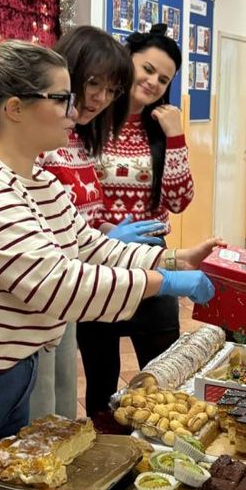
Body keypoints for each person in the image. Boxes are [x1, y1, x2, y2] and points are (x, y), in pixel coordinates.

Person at [0, 34, 218, 471]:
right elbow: (56, 283)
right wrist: (165, 283)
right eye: (61, 98)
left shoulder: (37, 179)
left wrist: (175, 260)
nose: (75, 111)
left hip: (5, 369)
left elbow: (87, 245)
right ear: (15, 108)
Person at [33, 26, 164, 420]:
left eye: (111, 91)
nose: (99, 98)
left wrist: (108, 236)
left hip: (70, 291)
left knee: (60, 405)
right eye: (92, 83)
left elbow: (74, 223)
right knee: (40, 412)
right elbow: (42, 233)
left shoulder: (78, 137)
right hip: (44, 294)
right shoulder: (38, 142)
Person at [77, 24, 195, 417]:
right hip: (98, 262)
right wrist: (104, 234)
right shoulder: (87, 123)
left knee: (163, 375)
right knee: (101, 379)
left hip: (153, 263)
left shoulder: (160, 130)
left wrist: (175, 137)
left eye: (164, 79)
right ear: (125, 61)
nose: (153, 82)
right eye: (147, 69)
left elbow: (179, 200)